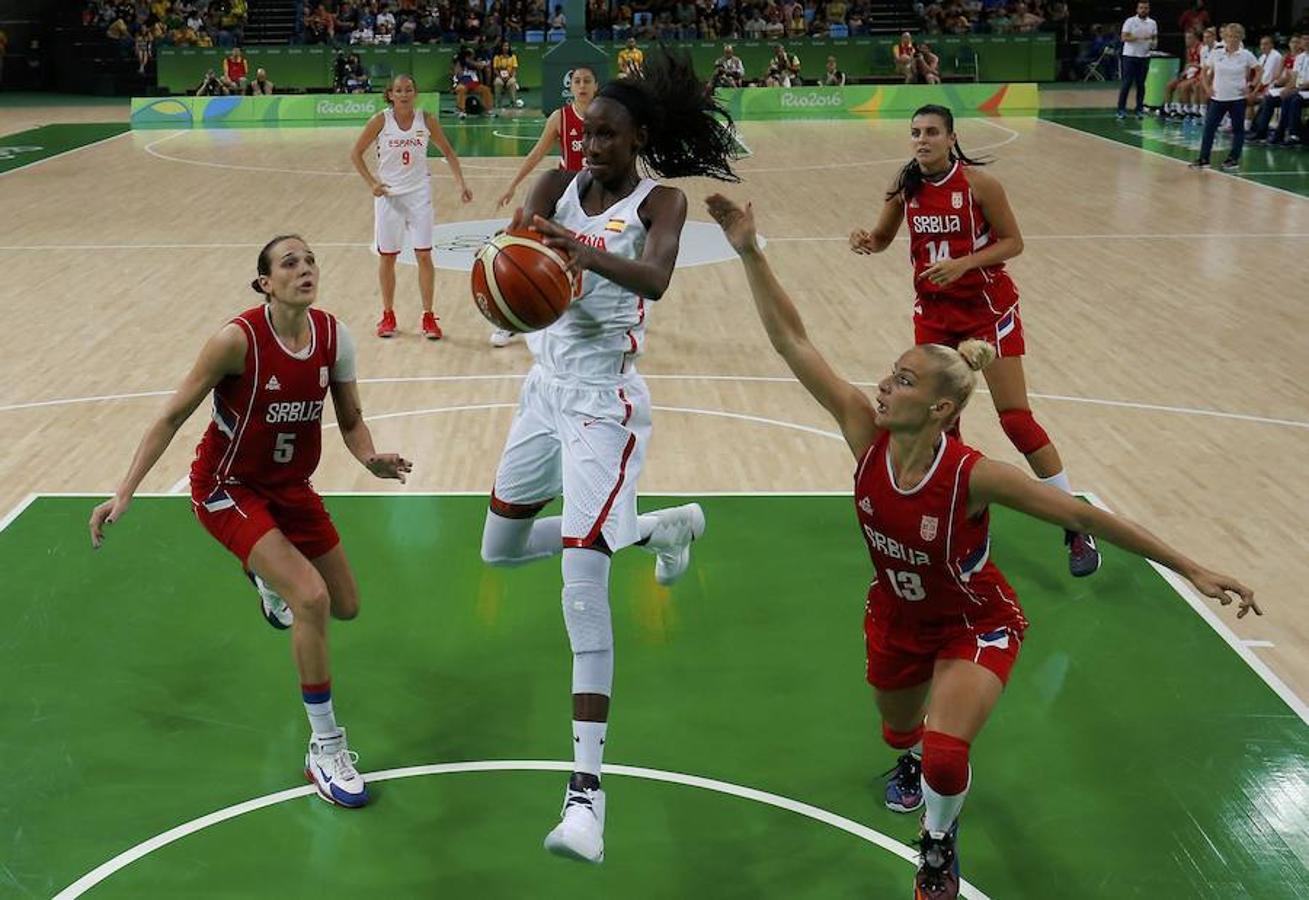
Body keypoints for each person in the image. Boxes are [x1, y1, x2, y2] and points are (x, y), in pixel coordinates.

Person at [706, 191, 1258, 900]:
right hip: (896, 619)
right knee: (898, 731)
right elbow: (793, 342)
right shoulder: (862, 431)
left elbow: (1083, 514)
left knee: (943, 753)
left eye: (900, 380)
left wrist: (1191, 566)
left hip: (975, 622)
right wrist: (749, 250)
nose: (881, 384)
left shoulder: (974, 476)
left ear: (939, 407)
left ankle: (936, 845)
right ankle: (909, 765)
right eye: (889, 372)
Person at [479, 49, 740, 865]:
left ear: (639, 137)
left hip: (604, 406)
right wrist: (504, 275)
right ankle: (661, 530)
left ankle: (585, 797)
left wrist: (582, 254)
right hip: (542, 392)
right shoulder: (554, 184)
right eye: (585, 131)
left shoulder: (661, 200)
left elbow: (656, 280)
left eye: (605, 133)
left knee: (579, 584)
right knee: (501, 547)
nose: (589, 143)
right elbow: (513, 257)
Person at [89, 236, 415, 810]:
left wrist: (371, 457)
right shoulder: (236, 342)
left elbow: (352, 420)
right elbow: (170, 416)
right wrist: (124, 493)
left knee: (346, 604)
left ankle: (267, 578)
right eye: (289, 262)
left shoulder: (335, 339)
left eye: (310, 260)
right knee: (310, 600)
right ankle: (326, 747)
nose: (305, 268)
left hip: (291, 488)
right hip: (226, 487)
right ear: (264, 282)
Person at [849, 104, 1100, 577]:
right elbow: (883, 238)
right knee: (942, 428)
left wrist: (965, 264)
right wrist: (866, 239)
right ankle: (966, 533)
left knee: (1017, 421)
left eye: (931, 132)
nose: (921, 140)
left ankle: (1075, 525)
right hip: (936, 317)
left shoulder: (980, 186)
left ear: (950, 138)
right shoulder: (905, 186)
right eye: (915, 132)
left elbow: (1013, 243)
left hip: (988, 311)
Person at [350, 74, 472, 340]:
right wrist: (372, 182)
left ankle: (428, 317)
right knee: (388, 257)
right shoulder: (380, 121)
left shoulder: (425, 120)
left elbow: (449, 152)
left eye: (408, 90)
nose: (403, 94)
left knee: (424, 256)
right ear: (390, 94)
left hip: (419, 195)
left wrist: (461, 183)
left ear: (415, 93)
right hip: (389, 197)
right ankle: (388, 314)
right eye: (398, 90)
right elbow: (355, 153)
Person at [492, 64, 599, 348]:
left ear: (596, 86)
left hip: (598, 194)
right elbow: (538, 153)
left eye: (587, 81)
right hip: (564, 190)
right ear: (571, 87)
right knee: (528, 242)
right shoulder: (560, 117)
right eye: (577, 81)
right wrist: (513, 185)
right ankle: (512, 316)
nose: (582, 85)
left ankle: (614, 317)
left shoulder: (606, 116)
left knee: (603, 256)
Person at [1191, 23, 1259, 170]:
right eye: (1229, 36)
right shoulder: (1216, 53)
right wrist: (1207, 88)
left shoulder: (1246, 55)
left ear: (1241, 38)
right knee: (1209, 128)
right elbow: (1204, 71)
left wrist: (1251, 87)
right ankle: (1204, 158)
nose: (1232, 39)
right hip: (1217, 98)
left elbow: (1259, 70)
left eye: (1236, 36)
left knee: (1238, 130)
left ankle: (1233, 159)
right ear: (1224, 37)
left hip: (1237, 98)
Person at [1116, 0, 1157, 119]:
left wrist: (1153, 44)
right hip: (1130, 56)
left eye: (1146, 8)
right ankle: (1121, 109)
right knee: (1127, 83)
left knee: (1141, 84)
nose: (1143, 10)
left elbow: (1154, 38)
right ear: (1137, 9)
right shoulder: (1130, 21)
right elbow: (1124, 37)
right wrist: (1140, 37)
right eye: (1141, 8)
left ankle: (1139, 109)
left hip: (1144, 56)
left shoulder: (1152, 23)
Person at [1161, 29, 1202, 119]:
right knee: (1169, 85)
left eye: (1189, 38)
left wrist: (1193, 65)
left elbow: (1204, 65)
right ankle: (1167, 109)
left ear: (1196, 38)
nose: (1187, 40)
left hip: (1198, 75)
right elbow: (1187, 64)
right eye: (1186, 38)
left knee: (1182, 86)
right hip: (1189, 75)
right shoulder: (1188, 49)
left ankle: (1186, 110)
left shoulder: (1201, 48)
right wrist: (1183, 73)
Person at [452, 47, 495, 118]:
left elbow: (481, 66)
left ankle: (488, 110)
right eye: (468, 54)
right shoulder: (459, 62)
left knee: (486, 90)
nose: (471, 56)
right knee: (461, 89)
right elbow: (457, 74)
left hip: (474, 84)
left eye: (471, 54)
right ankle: (461, 111)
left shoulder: (475, 62)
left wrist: (473, 63)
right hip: (463, 83)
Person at [492, 39, 522, 109]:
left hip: (510, 76)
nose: (505, 47)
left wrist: (511, 77)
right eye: (504, 46)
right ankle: (498, 103)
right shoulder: (497, 57)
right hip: (500, 77)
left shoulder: (513, 56)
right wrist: (500, 77)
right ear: (501, 47)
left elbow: (514, 69)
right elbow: (495, 69)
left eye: (507, 46)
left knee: (512, 82)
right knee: (497, 82)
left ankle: (513, 103)